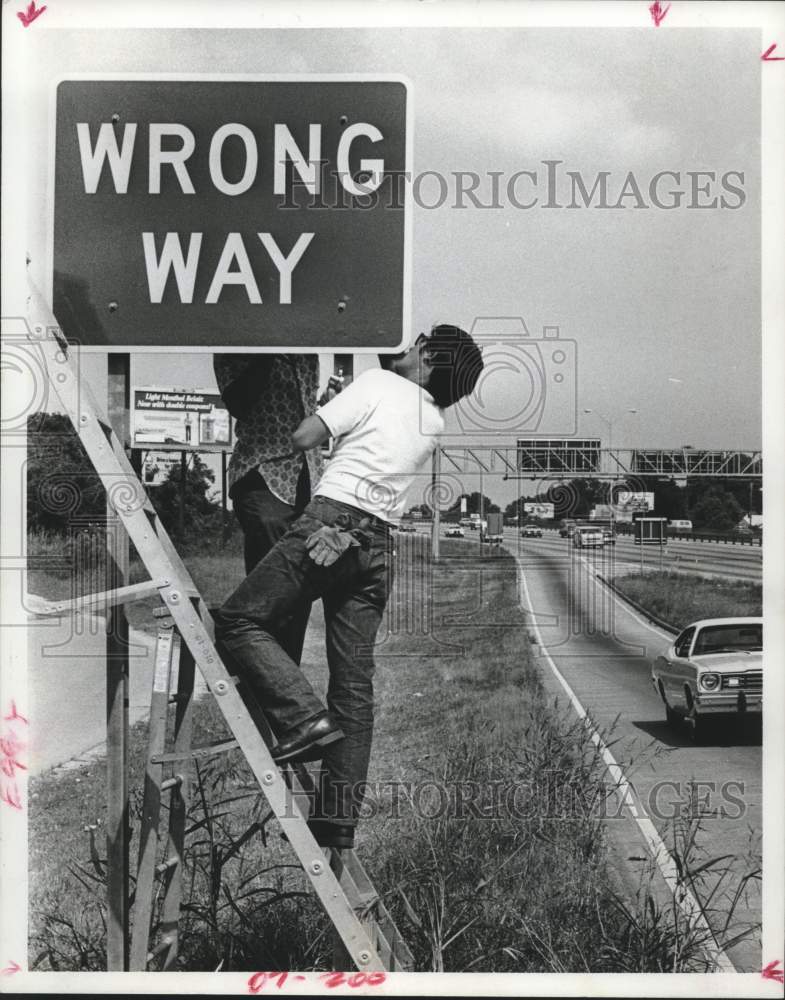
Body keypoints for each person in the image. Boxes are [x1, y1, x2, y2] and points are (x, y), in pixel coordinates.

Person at [214, 325, 484, 849]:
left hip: (329, 523)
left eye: (416, 342)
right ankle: (337, 820)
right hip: (377, 547)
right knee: (354, 689)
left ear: (428, 357)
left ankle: (302, 718)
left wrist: (336, 406)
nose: (404, 345)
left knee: (239, 620)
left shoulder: (377, 383)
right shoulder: (434, 421)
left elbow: (302, 439)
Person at [213, 354, 323, 665]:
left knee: (298, 590)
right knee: (272, 591)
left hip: (309, 477)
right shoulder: (239, 339)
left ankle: (285, 688)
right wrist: (269, 348)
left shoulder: (307, 347)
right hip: (263, 472)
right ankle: (266, 686)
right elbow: (238, 403)